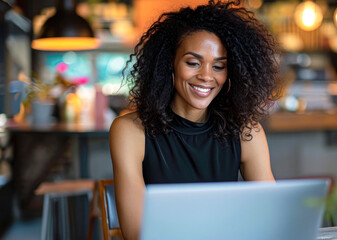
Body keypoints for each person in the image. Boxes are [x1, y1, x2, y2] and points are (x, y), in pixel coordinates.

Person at [109, 1, 279, 239]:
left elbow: (273, 217)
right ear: (170, 62)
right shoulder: (130, 131)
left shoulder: (246, 131)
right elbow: (138, 233)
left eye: (219, 66)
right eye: (193, 63)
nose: (207, 76)